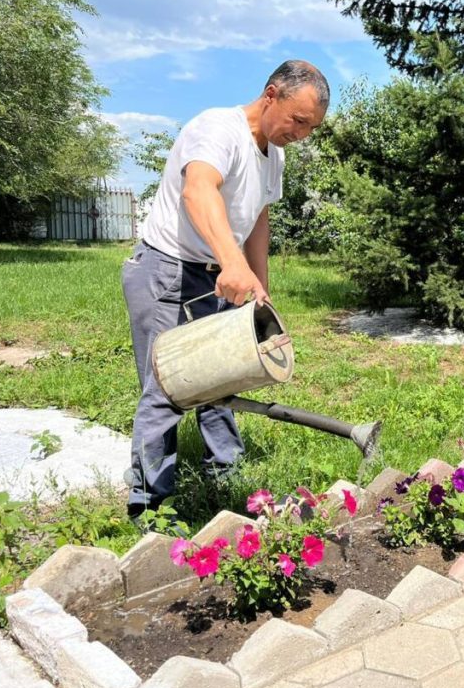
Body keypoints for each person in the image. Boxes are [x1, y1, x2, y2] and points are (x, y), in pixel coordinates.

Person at [121, 60, 329, 521]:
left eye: (310, 128)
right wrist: (233, 264)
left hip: (216, 272)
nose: (301, 134)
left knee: (222, 374)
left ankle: (225, 473)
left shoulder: (273, 152)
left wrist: (261, 289)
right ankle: (149, 506)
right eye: (298, 121)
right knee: (168, 386)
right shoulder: (218, 128)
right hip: (167, 270)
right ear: (271, 94)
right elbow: (199, 191)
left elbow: (258, 218)